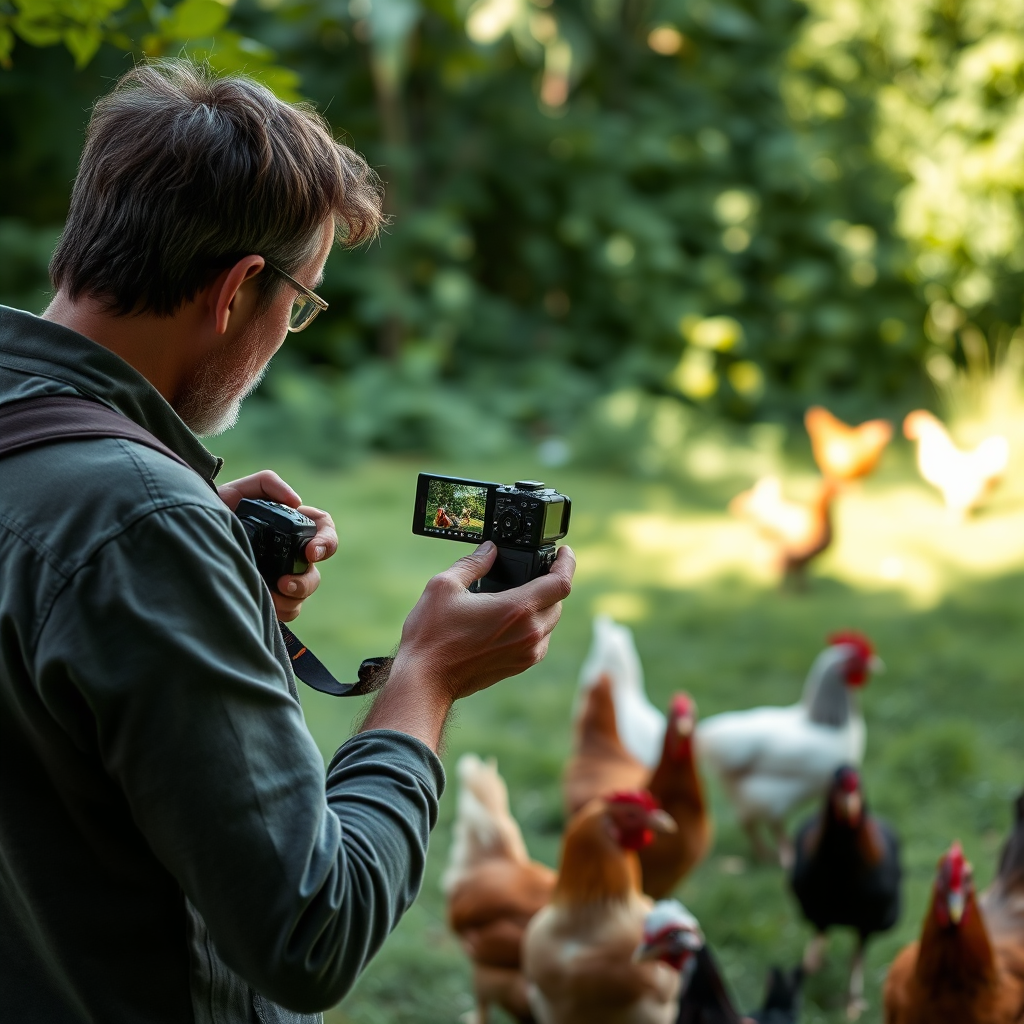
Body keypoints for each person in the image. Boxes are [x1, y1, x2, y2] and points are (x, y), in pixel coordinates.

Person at [0, 60, 575, 1023]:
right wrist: (422, 683)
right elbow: (312, 932)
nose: (287, 331)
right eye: (300, 304)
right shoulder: (143, 529)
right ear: (236, 292)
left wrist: (168, 579)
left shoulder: (96, 500)